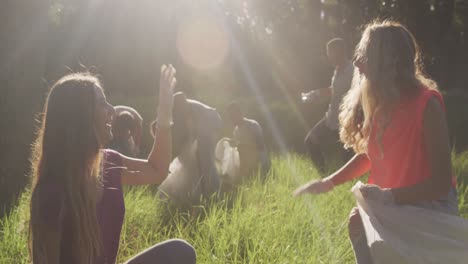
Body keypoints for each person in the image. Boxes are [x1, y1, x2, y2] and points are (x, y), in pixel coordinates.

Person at [294, 20, 458, 264]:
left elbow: (441, 183)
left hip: (429, 207)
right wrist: (328, 182)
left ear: (390, 61)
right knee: (358, 224)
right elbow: (371, 154)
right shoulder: (381, 104)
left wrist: (388, 197)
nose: (358, 63)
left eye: (366, 56)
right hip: (394, 204)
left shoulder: (427, 104)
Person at [29, 65, 197, 264]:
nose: (112, 111)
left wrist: (165, 113)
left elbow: (157, 170)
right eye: (102, 103)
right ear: (81, 117)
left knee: (179, 252)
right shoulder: (51, 192)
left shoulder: (109, 163)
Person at [302, 38, 355, 170]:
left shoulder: (354, 71)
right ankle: (323, 173)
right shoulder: (337, 70)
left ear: (342, 51)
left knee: (347, 157)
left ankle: (349, 182)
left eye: (331, 53)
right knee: (310, 141)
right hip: (330, 118)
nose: (329, 57)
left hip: (346, 121)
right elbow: (335, 90)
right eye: (328, 53)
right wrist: (314, 94)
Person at [226, 101, 270, 179]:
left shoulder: (252, 125)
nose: (231, 118)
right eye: (229, 116)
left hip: (260, 164)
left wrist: (239, 144)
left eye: (232, 115)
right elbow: (239, 151)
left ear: (239, 113)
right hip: (247, 167)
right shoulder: (236, 131)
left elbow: (260, 146)